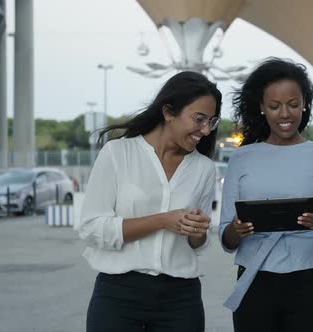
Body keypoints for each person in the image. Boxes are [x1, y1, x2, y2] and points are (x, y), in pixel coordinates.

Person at [77, 71, 222, 332]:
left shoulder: (204, 169)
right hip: (118, 295)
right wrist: (163, 220)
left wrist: (198, 232)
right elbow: (92, 228)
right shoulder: (118, 153)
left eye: (211, 121)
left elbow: (197, 246)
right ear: (168, 112)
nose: (205, 130)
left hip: (181, 299)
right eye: (199, 119)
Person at [219, 58, 313, 332]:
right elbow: (226, 239)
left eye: (293, 104)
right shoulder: (241, 158)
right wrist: (235, 229)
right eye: (274, 106)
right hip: (254, 283)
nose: (285, 114)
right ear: (262, 108)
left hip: (311, 283)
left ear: (305, 104)